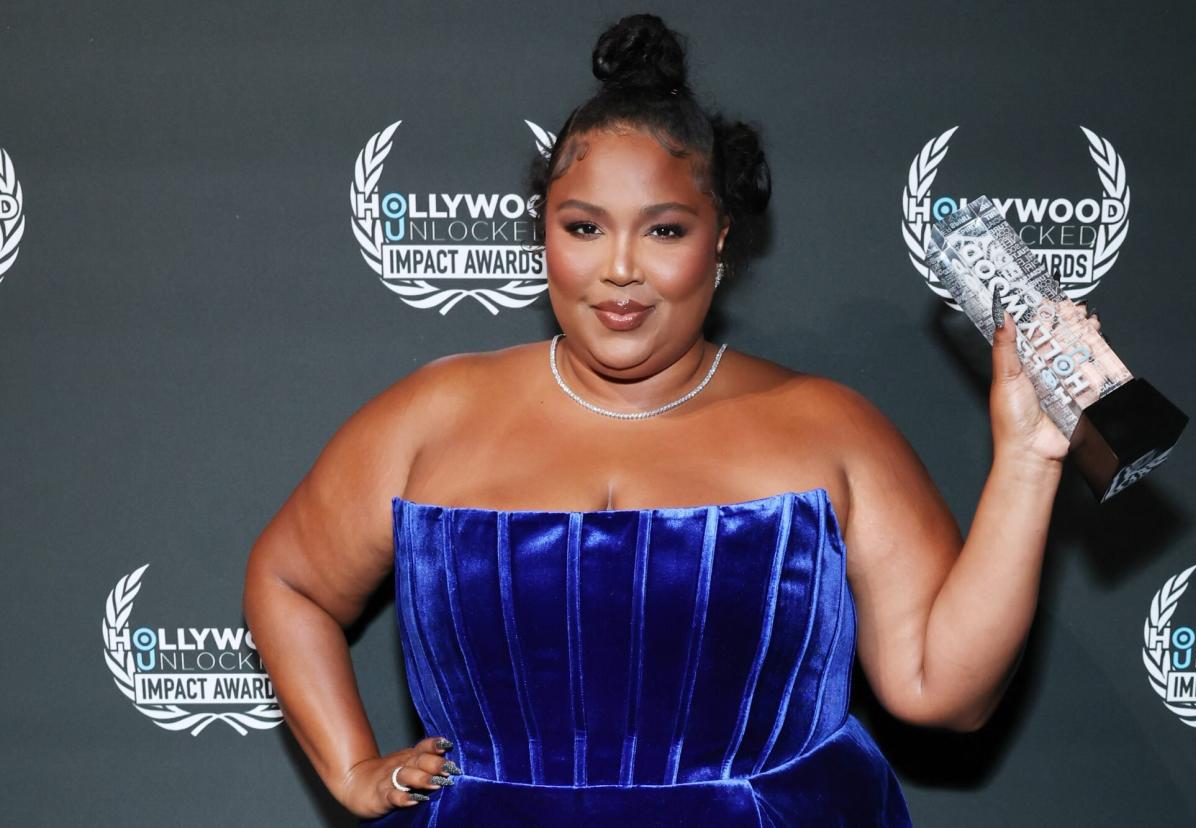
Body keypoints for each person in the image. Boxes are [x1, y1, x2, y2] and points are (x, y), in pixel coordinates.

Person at [243, 13, 1098, 826]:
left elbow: (943, 690)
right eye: (584, 227)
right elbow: (289, 582)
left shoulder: (829, 428)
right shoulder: (429, 416)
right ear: (544, 233)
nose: (619, 269)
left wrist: (1030, 458)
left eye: (663, 230)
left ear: (720, 238)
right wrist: (353, 770)